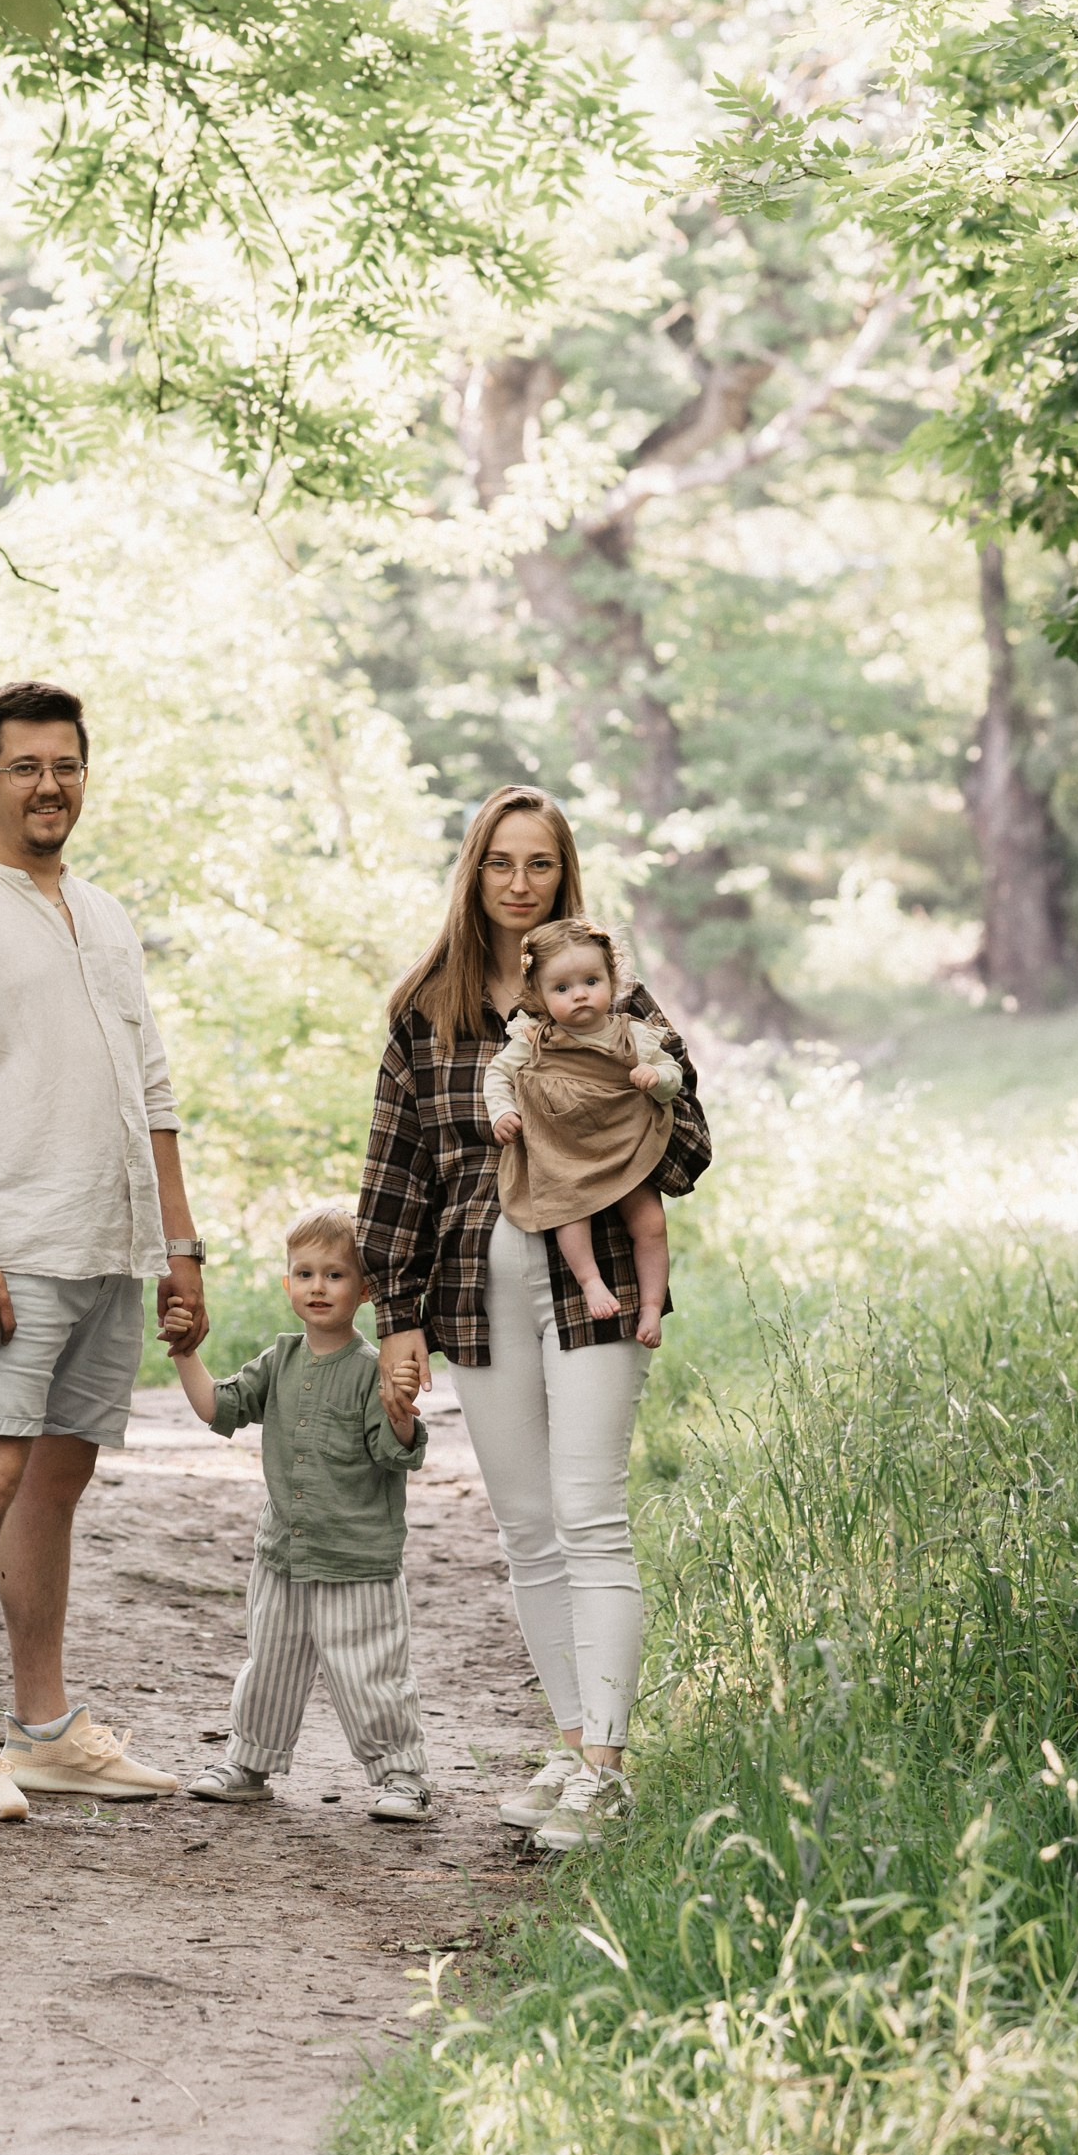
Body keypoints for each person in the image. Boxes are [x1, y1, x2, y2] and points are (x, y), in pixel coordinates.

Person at [0, 680, 205, 1823]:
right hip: (7, 1243)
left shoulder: (103, 914)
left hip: (108, 1242)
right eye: (24, 766)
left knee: (57, 1481)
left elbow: (150, 1090)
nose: (48, 785)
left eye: (64, 764)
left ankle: (46, 1727)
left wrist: (179, 1246)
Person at [357, 788, 709, 1852]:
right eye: (502, 863)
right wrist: (397, 1313)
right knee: (525, 1528)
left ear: (565, 875)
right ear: (474, 871)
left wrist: (618, 1109)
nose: (520, 882)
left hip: (591, 1269)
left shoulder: (609, 995)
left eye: (541, 864)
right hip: (475, 1278)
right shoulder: (426, 1008)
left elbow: (688, 1144)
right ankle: (566, 1745)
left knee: (589, 1509)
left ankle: (606, 1765)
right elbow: (395, 1167)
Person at [174, 1205, 433, 1821]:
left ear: (365, 1289)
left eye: (336, 1275)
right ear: (287, 1283)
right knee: (271, 1664)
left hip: (358, 1559)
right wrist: (186, 1352)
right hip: (283, 1555)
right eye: (305, 1273)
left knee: (371, 1671)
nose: (319, 1287)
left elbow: (395, 1454)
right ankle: (248, 1763)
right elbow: (218, 1409)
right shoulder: (279, 1361)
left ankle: (402, 1776)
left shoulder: (373, 1370)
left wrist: (399, 1413)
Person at [483, 918, 682, 1350]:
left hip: (622, 1149)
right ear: (538, 995)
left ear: (613, 980)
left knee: (650, 1222)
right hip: (565, 1155)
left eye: (591, 981)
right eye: (561, 988)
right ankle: (590, 1282)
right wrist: (502, 1111)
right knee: (568, 1211)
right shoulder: (534, 1038)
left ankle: (650, 1305)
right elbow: (498, 1073)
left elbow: (674, 1073)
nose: (579, 994)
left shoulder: (633, 1033)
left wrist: (657, 1076)